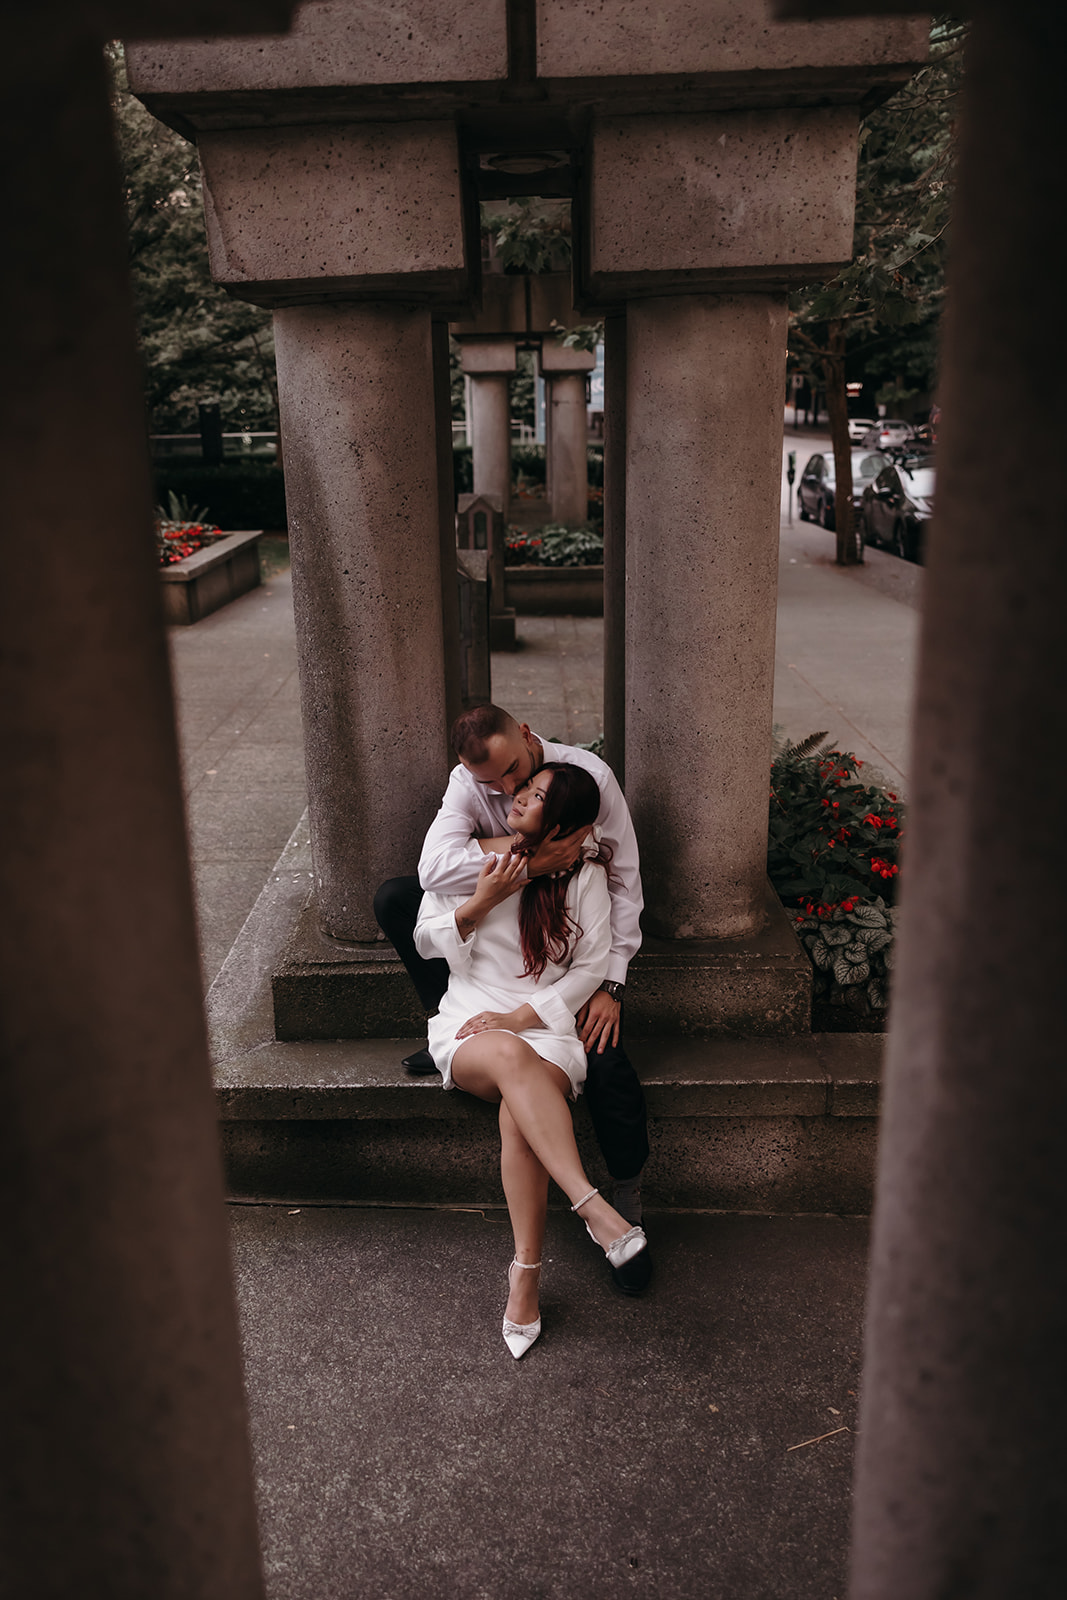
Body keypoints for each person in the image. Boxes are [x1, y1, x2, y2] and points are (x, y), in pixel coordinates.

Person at [374, 703, 651, 1293]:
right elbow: (432, 879)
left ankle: (536, 1265)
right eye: (491, 786)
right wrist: (512, 868)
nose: (506, 792)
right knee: (503, 1051)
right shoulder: (480, 837)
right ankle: (596, 1212)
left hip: (548, 1011)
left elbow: (616, 905)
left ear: (528, 737)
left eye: (518, 779)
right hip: (477, 1005)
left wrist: (611, 986)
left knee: (595, 1070)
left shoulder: (588, 792)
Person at [413, 762, 648, 1358]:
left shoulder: (584, 878)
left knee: (520, 1119)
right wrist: (483, 898)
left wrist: (524, 1017)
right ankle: (594, 1210)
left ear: (561, 821)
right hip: (470, 1018)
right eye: (523, 788)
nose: (518, 798)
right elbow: (424, 937)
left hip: (544, 1025)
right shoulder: (477, 861)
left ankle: (526, 1276)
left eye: (536, 795)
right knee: (510, 1061)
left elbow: (591, 967)